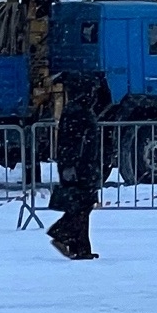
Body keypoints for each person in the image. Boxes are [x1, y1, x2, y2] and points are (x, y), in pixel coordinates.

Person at [46, 70, 112, 260]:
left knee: (82, 204)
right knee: (82, 204)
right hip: (80, 166)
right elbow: (71, 144)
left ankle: (80, 247)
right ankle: (62, 233)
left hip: (83, 165)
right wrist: (71, 166)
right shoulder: (78, 112)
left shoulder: (78, 110)